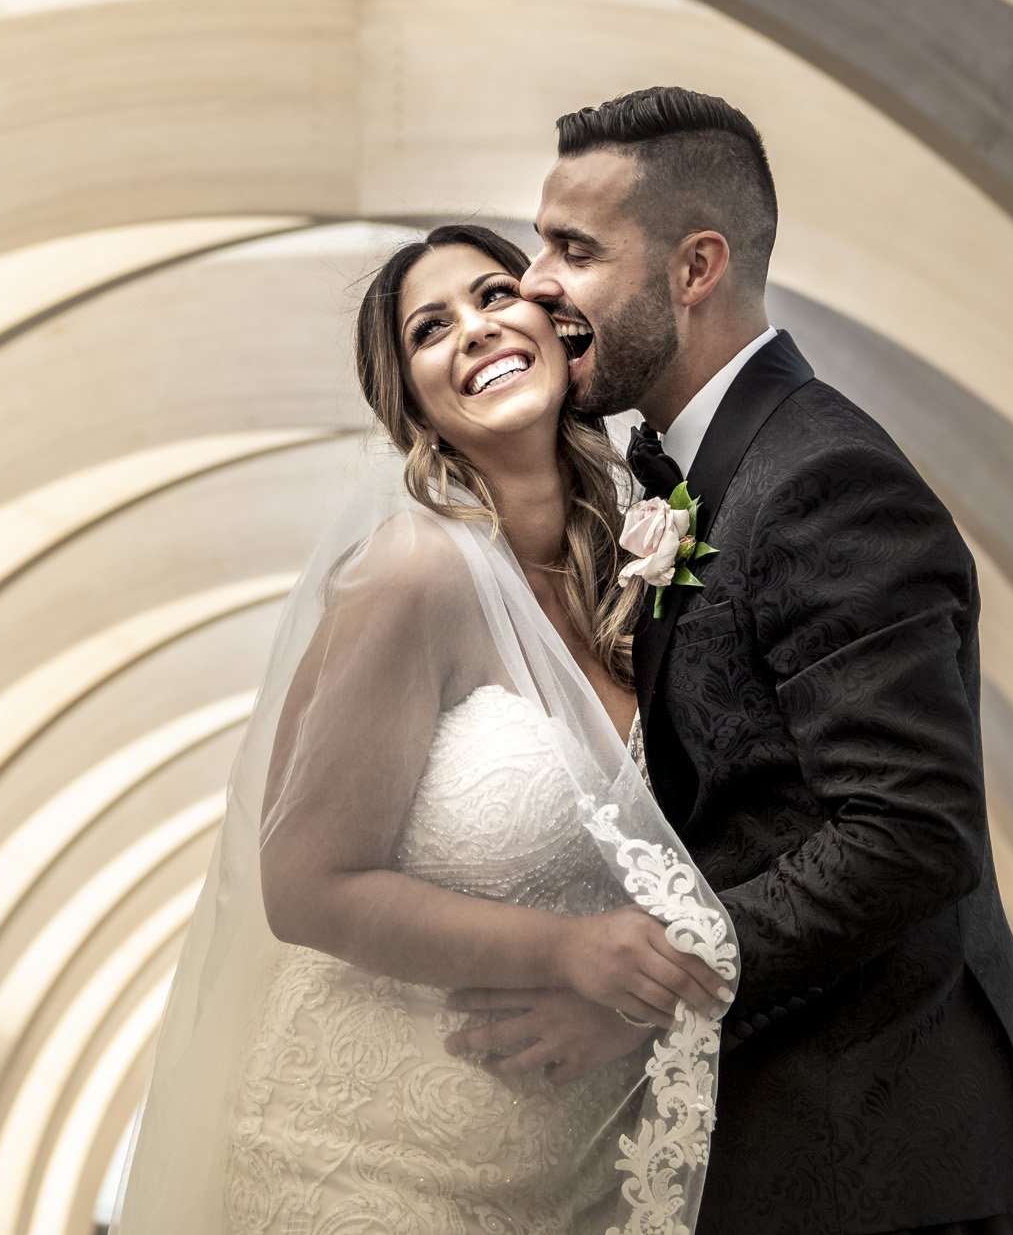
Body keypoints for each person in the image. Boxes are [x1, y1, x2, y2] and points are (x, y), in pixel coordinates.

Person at [446, 86, 1013, 1233]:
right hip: (780, 1145)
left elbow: (905, 830)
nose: (535, 281)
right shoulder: (689, 478)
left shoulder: (823, 482)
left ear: (694, 266)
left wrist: (642, 997)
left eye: (574, 248)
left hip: (870, 1158)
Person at [114, 223, 737, 1235]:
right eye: (430, 327)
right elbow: (304, 884)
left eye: (496, 295)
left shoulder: (643, 575)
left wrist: (631, 998)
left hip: (575, 1184)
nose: (475, 330)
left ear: (553, 322)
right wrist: (568, 951)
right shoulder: (413, 574)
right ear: (411, 404)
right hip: (365, 1169)